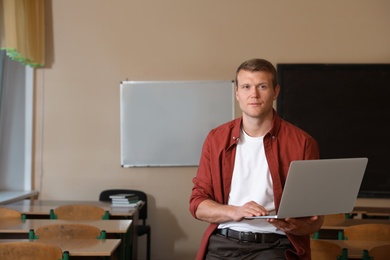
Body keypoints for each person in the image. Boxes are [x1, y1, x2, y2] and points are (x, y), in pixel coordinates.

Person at [189, 58, 324, 260]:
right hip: (222, 243)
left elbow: (316, 219)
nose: (254, 94)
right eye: (246, 87)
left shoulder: (303, 143)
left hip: (275, 245)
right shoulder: (216, 139)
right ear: (237, 93)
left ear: (275, 91)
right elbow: (197, 204)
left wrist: (299, 226)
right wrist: (235, 211)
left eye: (262, 86)